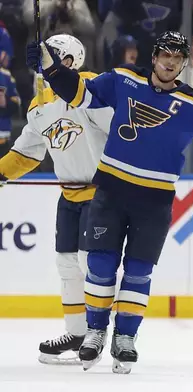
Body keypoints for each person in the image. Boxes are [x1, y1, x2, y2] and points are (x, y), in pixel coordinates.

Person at [26, 30, 193, 373]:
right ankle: (96, 333)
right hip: (111, 191)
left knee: (138, 271)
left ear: (184, 62)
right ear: (154, 55)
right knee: (100, 264)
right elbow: (80, 93)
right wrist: (52, 69)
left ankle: (126, 337)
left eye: (177, 58)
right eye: (165, 55)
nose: (170, 62)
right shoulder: (123, 79)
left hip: (155, 199)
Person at [0, 34, 112, 365]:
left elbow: (109, 118)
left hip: (100, 193)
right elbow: (25, 153)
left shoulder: (91, 87)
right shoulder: (40, 105)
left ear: (69, 60)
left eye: (50, 57)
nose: (42, 64)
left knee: (87, 262)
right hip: (69, 195)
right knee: (66, 265)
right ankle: (76, 332)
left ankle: (96, 332)